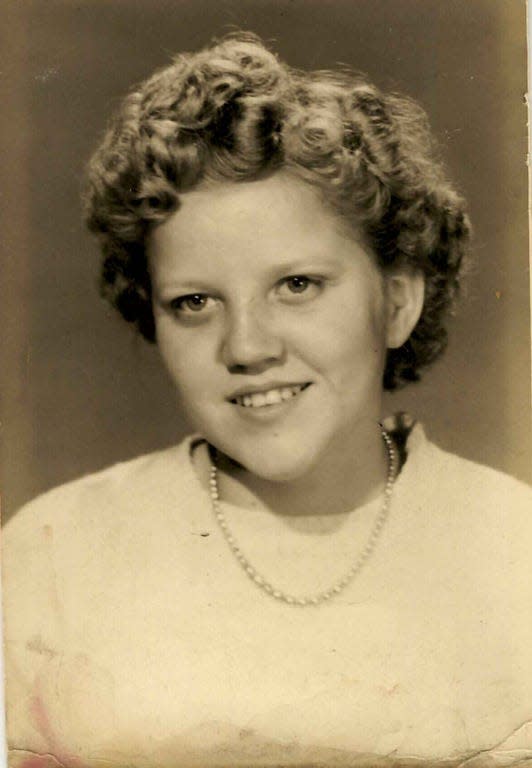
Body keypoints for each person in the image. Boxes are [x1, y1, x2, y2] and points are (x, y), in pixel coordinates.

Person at [3, 32, 531, 768]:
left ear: (400, 300)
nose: (246, 346)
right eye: (194, 302)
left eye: (297, 286)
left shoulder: (514, 550)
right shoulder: (52, 559)